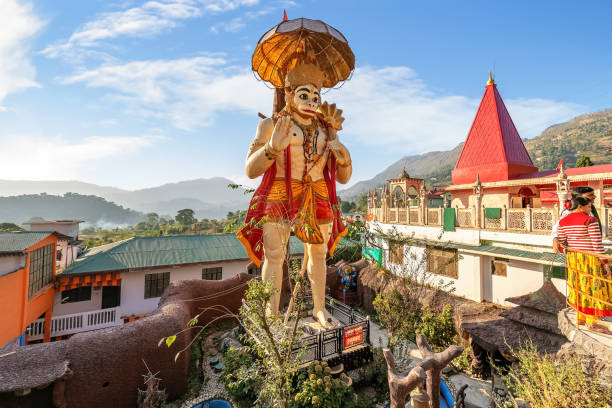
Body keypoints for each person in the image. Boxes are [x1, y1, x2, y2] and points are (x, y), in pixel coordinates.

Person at [238, 63, 351, 329]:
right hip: (280, 192)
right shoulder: (270, 125)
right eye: (304, 95)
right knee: (274, 255)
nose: (311, 101)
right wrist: (272, 147)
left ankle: (320, 309)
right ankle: (271, 315)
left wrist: (344, 158)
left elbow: (344, 177)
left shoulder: (327, 129)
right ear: (289, 94)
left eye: (316, 97)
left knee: (319, 254)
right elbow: (250, 169)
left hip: (317, 192)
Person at [557, 196, 611, 333]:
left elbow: (562, 242)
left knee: (579, 286)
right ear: (580, 207)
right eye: (588, 207)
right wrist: (605, 263)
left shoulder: (562, 222)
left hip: (574, 259)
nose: (589, 209)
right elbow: (597, 245)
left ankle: (581, 318)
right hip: (590, 259)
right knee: (593, 288)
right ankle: (592, 323)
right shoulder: (590, 220)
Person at [552, 186, 601, 253]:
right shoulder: (569, 212)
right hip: (579, 254)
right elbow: (558, 227)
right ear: (578, 198)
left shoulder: (589, 209)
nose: (594, 197)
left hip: (591, 251)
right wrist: (555, 238)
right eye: (590, 195)